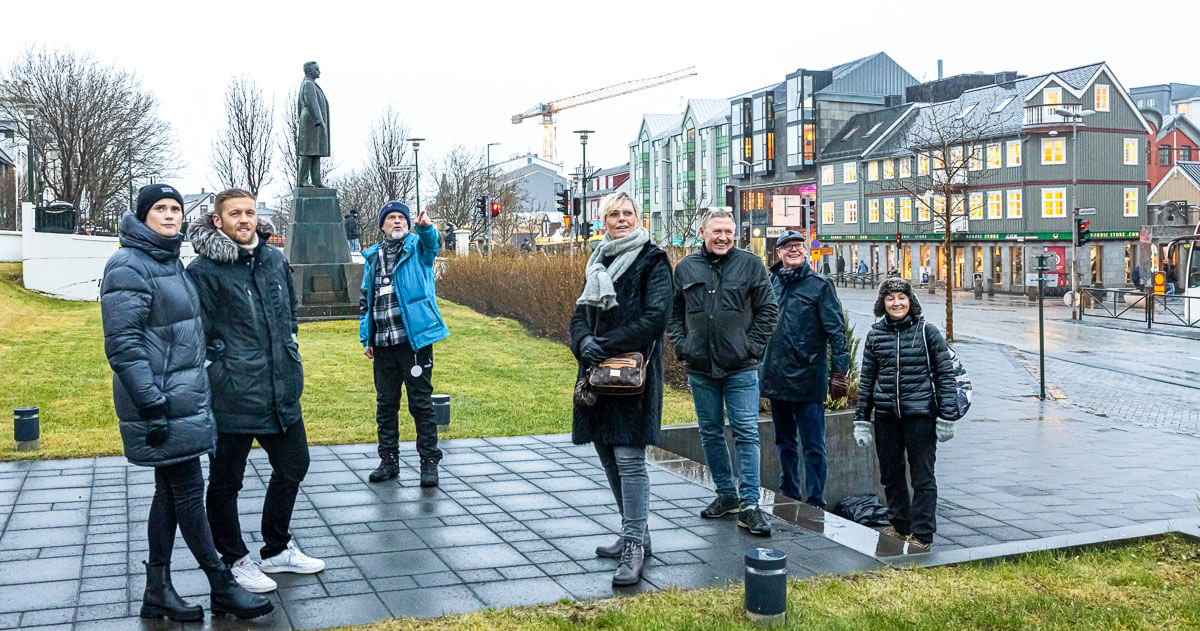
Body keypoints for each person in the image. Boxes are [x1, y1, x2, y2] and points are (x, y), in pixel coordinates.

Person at [101, 184, 272, 621]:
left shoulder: (168, 261)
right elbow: (124, 344)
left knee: (168, 493)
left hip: (182, 397)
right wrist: (151, 402)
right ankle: (222, 585)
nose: (171, 215)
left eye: (176, 208)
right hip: (160, 402)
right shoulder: (128, 264)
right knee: (189, 490)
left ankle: (157, 589)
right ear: (142, 217)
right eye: (160, 208)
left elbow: (183, 326)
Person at [187, 188, 325, 594]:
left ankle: (277, 547)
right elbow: (197, 333)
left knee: (294, 465)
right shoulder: (203, 271)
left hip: (280, 388)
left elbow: (290, 311)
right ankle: (233, 560)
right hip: (232, 394)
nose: (244, 220)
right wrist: (221, 367)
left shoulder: (273, 259)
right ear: (218, 220)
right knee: (227, 481)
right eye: (234, 214)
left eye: (248, 212)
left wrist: (290, 344)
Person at [570, 192, 671, 586]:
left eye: (627, 213)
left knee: (629, 460)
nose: (622, 219)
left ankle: (633, 546)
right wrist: (582, 343)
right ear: (604, 221)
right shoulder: (598, 260)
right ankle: (637, 533)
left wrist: (606, 345)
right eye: (614, 214)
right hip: (597, 377)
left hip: (632, 377)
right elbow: (580, 314)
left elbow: (655, 319)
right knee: (609, 458)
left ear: (638, 217)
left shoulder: (653, 260)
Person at [669, 208, 778, 536]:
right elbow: (673, 312)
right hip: (701, 368)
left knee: (746, 432)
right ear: (702, 232)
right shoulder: (686, 268)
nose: (723, 237)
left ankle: (750, 505)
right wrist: (683, 345)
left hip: (740, 369)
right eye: (717, 231)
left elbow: (768, 311)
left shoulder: (750, 265)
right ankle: (725, 495)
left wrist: (749, 347)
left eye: (728, 231)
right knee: (711, 432)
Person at [853, 278, 957, 552]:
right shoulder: (875, 335)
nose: (896, 303)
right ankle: (901, 526)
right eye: (890, 298)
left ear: (910, 301)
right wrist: (862, 420)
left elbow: (946, 375)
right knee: (891, 474)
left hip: (920, 415)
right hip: (886, 415)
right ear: (882, 303)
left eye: (901, 297)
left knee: (922, 476)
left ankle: (922, 535)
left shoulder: (927, 332)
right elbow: (867, 380)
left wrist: (948, 416)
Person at [360, 201, 449, 486]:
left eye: (401, 218)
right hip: (384, 343)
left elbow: (431, 245)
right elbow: (366, 301)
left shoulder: (417, 249)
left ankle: (429, 463)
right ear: (382, 225)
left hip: (414, 343)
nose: (397, 222)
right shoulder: (373, 257)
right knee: (386, 404)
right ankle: (388, 460)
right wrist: (367, 336)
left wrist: (427, 230)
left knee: (421, 404)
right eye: (391, 218)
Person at [759, 231, 849, 508]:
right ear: (779, 253)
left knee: (813, 445)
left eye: (798, 246)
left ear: (806, 251)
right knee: (784, 441)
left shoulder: (820, 285)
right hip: (777, 376)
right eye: (788, 247)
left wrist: (839, 373)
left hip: (809, 377)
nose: (794, 250)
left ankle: (816, 500)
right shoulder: (770, 283)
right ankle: (788, 495)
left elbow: (836, 332)